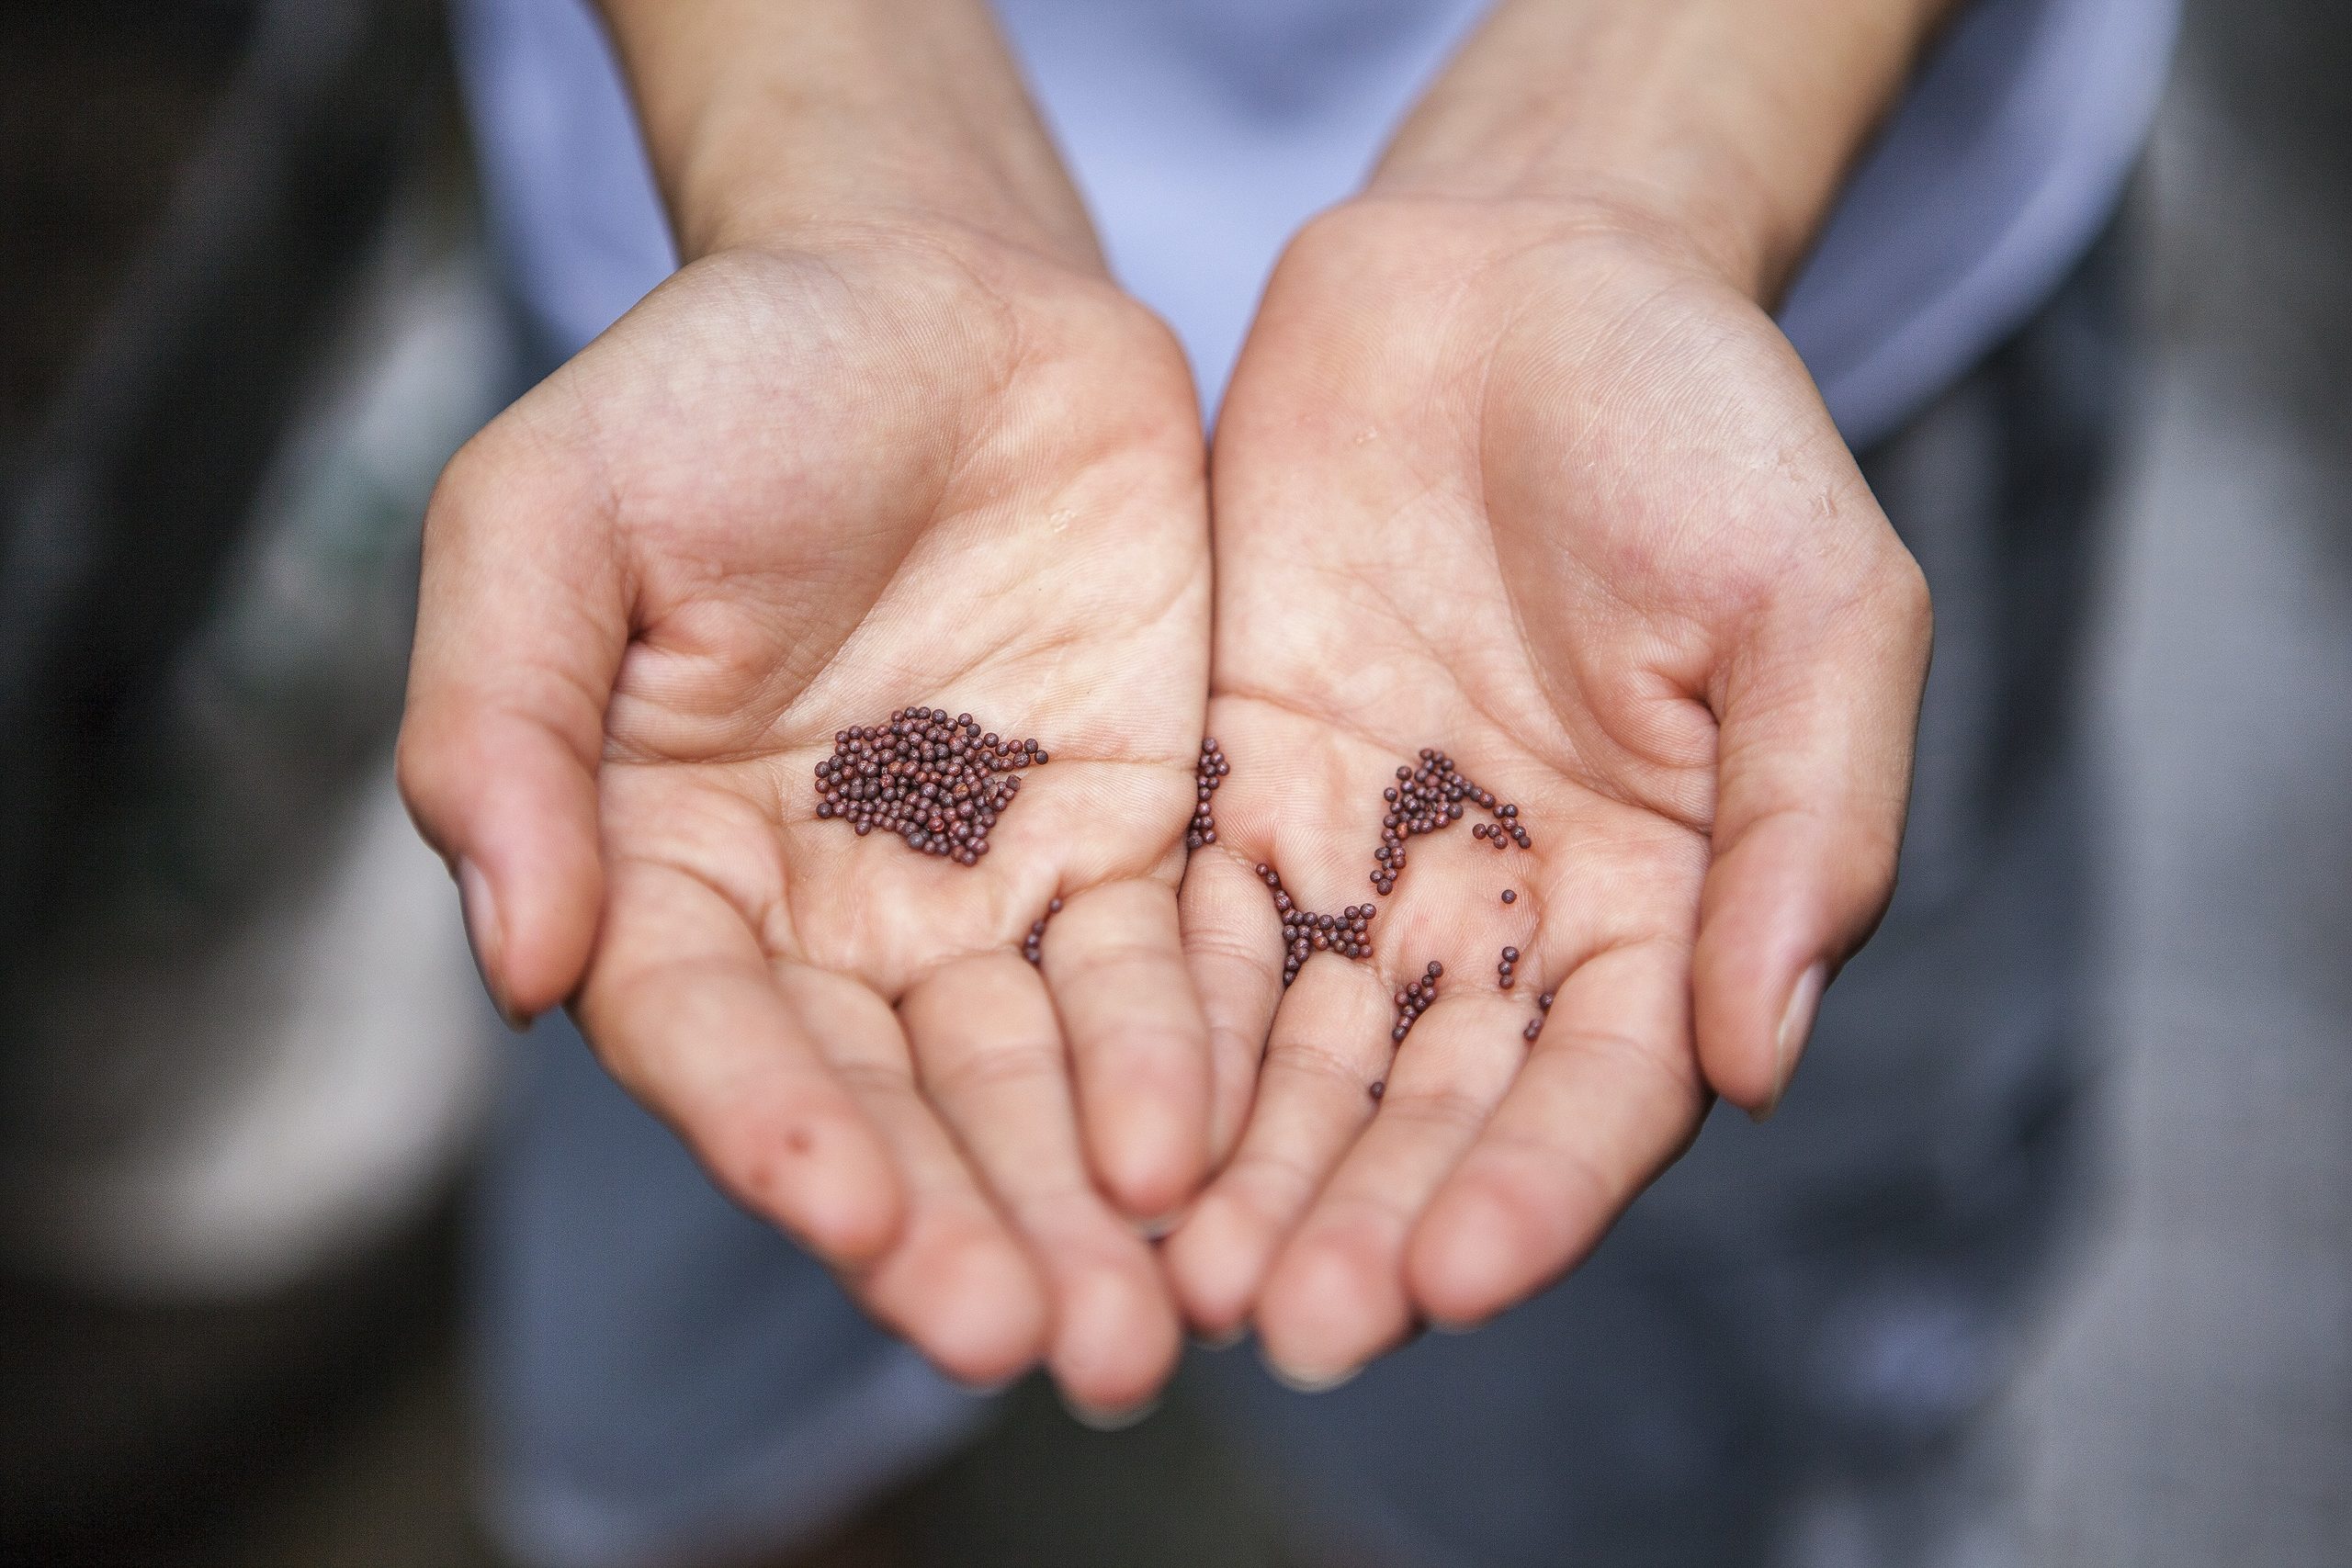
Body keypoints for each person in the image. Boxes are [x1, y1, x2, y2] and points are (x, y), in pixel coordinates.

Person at [397, 0, 2176, 1562]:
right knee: (699, 1330)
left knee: (1625, 1445)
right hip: (777, 455)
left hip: (1718, 378)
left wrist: (1627, 161)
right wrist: (830, 146)